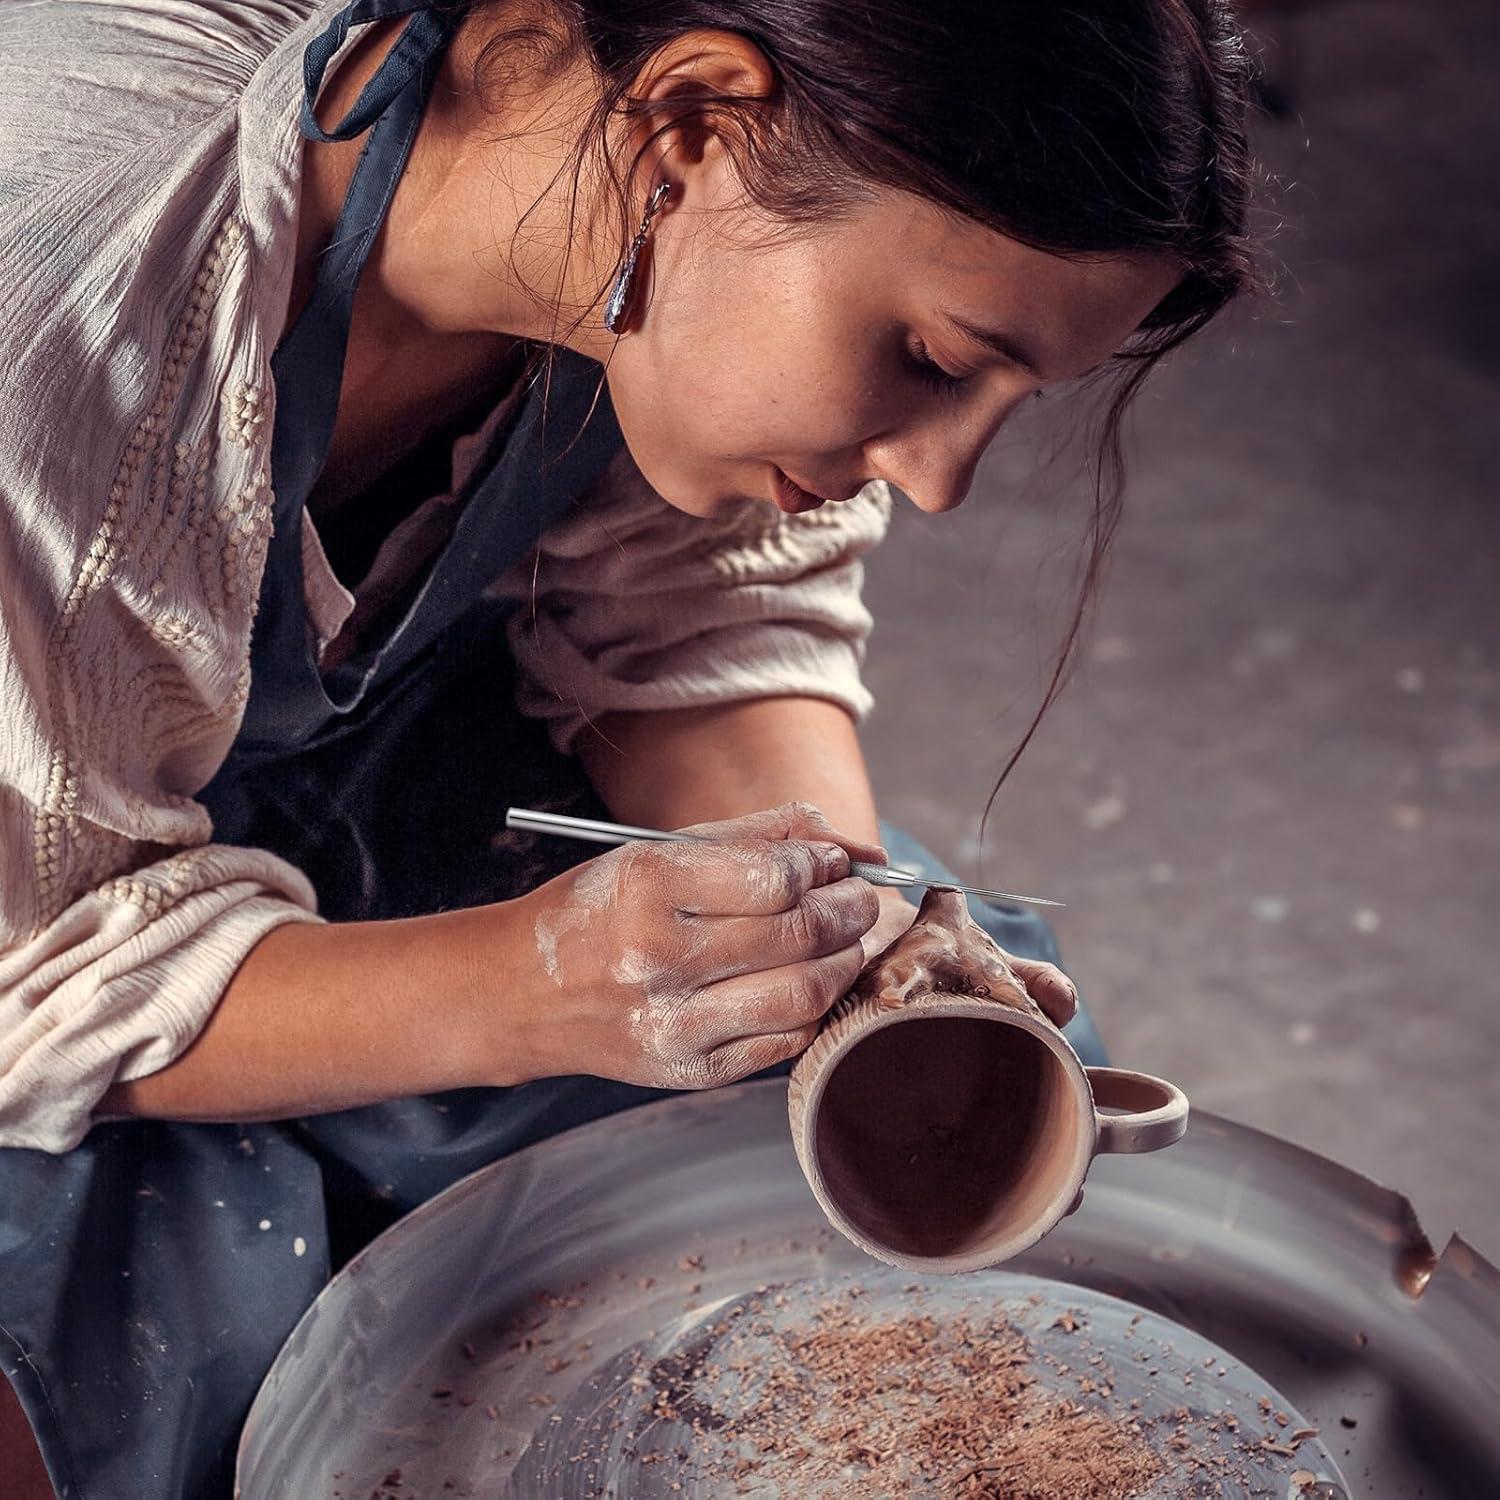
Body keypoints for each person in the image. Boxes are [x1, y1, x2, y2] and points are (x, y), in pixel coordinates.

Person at [0, 0, 1258, 1493]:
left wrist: (842, 945)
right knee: (188, 1358)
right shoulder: (67, 294)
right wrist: (546, 986)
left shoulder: (602, 203)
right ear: (695, 123)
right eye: (928, 357)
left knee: (964, 1079)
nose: (941, 481)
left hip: (284, 786)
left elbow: (697, 613)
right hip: (37, 923)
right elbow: (35, 969)